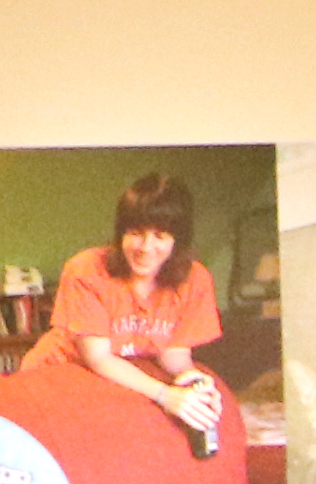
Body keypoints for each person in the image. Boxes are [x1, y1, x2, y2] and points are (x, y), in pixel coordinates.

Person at [22, 169, 232, 455]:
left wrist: (192, 380)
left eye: (160, 235)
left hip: (117, 384)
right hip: (62, 373)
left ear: (177, 241)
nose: (146, 248)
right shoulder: (86, 269)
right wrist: (165, 395)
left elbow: (172, 351)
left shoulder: (195, 280)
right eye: (135, 233)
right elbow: (97, 357)